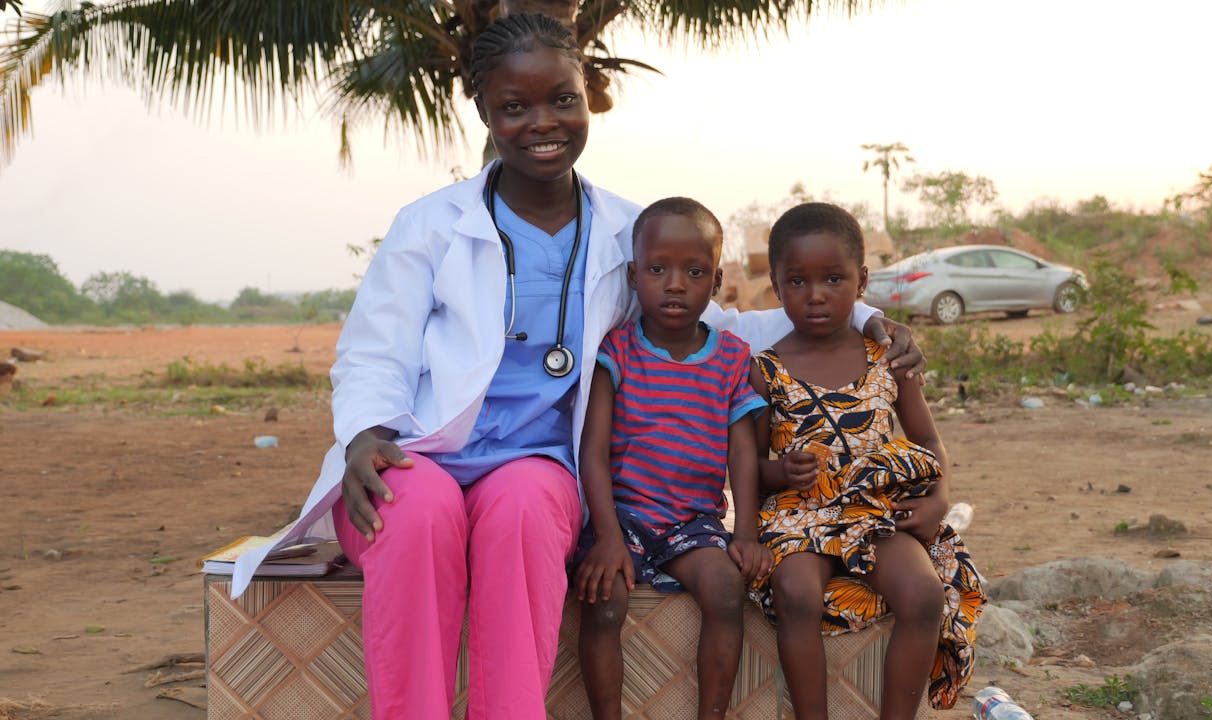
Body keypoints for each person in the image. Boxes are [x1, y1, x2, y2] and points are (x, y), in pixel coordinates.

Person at [228, 15, 925, 720]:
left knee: (525, 511)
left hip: (540, 462)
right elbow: (374, 351)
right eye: (514, 106)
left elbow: (731, 326)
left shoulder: (633, 232)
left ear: (587, 97)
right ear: (484, 114)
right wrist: (362, 439)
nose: (542, 122)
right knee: (415, 512)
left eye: (562, 99)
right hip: (421, 451)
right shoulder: (431, 225)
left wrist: (869, 317)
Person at [747, 203, 985, 720]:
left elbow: (929, 443)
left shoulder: (890, 361)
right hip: (797, 515)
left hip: (874, 514)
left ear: (862, 282)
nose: (816, 296)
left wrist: (939, 500)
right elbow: (748, 467)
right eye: (797, 281)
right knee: (794, 592)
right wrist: (780, 471)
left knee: (923, 596)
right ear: (776, 285)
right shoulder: (766, 370)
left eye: (834, 279)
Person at [573, 197, 773, 720]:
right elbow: (591, 453)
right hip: (626, 517)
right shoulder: (615, 353)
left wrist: (746, 532)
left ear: (718, 280)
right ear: (634, 276)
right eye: (658, 270)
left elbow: (742, 454)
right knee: (604, 600)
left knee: (727, 591)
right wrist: (609, 537)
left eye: (694, 271)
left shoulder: (731, 359)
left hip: (694, 520)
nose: (676, 284)